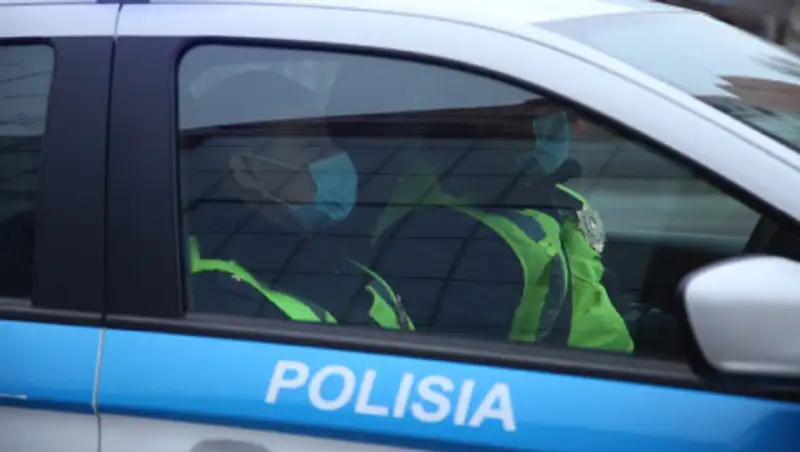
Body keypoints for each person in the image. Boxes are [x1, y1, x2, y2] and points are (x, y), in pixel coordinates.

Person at [323, 61, 632, 351]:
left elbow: (599, 292)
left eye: (565, 115)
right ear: (487, 118)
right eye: (545, 120)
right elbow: (471, 367)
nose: (576, 128)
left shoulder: (553, 196)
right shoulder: (444, 235)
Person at [183, 70, 412, 330]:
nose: (336, 157)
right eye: (311, 146)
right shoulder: (215, 293)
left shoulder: (339, 260)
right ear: (248, 171)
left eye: (331, 143)